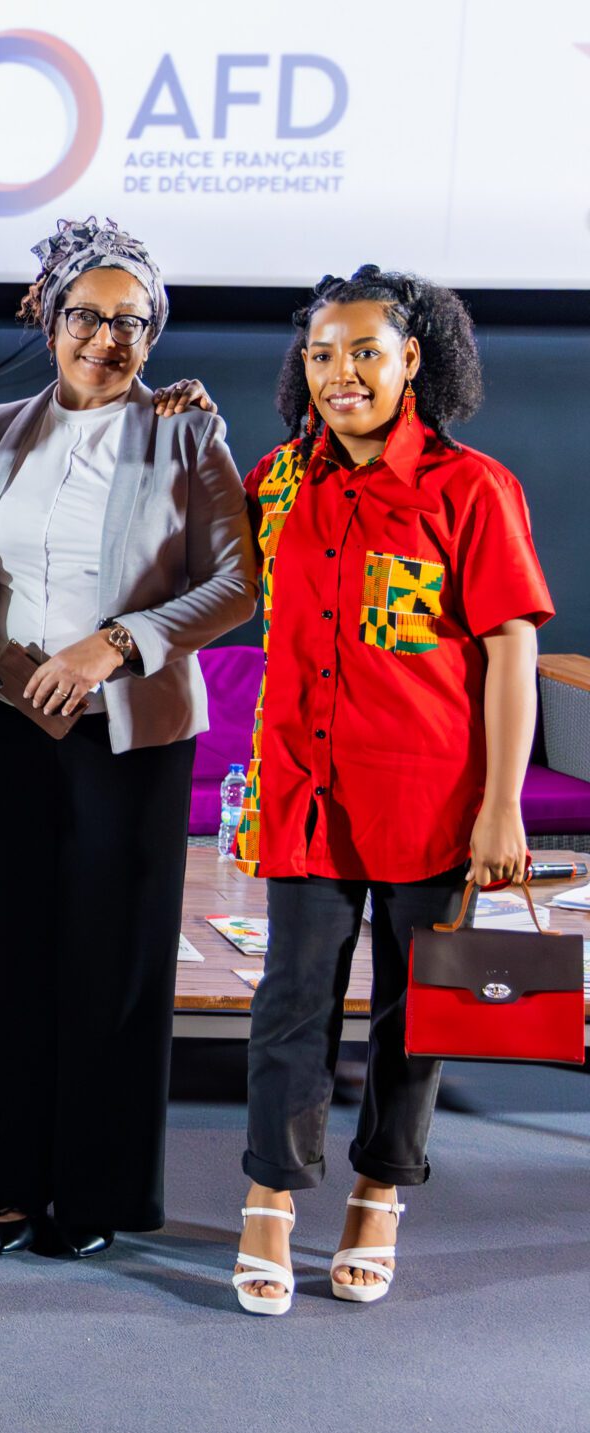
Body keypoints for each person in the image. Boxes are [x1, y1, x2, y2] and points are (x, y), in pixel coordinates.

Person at [0, 216, 256, 1258]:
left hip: (128, 739)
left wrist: (115, 644)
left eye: (129, 322)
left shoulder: (187, 434)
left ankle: (94, 1192)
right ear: (50, 320)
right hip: (5, 723)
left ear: (153, 333)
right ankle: (5, 1180)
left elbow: (237, 584)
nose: (105, 338)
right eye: (86, 317)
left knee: (112, 966)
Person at [229, 267, 551, 1315]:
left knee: (415, 1014)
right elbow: (219, 580)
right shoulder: (278, 479)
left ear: (412, 359)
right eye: (321, 354)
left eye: (364, 351)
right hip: (306, 790)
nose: (342, 373)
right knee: (290, 1003)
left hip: (432, 798)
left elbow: (510, 653)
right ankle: (270, 1196)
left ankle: (377, 1195)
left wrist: (501, 803)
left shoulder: (474, 488)